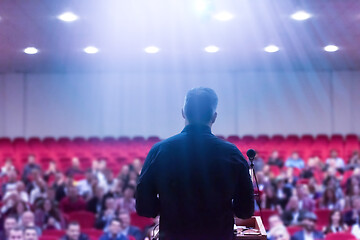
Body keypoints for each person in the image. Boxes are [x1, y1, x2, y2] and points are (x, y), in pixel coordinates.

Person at [136, 87, 254, 240]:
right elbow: (245, 210)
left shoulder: (160, 151)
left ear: (183, 112)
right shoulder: (232, 153)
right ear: (214, 117)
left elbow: (145, 207)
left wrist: (169, 208)